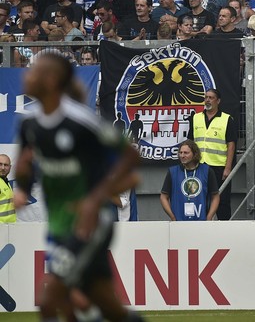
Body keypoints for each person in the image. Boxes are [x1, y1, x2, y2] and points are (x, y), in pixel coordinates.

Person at [12, 53, 142, 321]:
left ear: (50, 80)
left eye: (33, 71)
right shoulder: (29, 124)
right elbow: (26, 164)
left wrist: (95, 199)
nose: (27, 75)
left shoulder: (81, 121)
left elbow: (130, 155)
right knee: (98, 304)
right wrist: (23, 189)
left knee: (49, 301)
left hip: (90, 224)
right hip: (59, 226)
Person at [188, 88, 236, 220]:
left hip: (219, 167)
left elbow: (231, 145)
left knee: (223, 201)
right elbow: (190, 143)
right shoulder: (196, 118)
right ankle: (201, 226)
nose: (207, 100)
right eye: (206, 97)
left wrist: (228, 167)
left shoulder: (226, 119)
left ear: (218, 101)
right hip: (199, 167)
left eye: (211, 97)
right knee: (199, 198)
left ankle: (224, 228)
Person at [159, 139, 219, 221]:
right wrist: (172, 217)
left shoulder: (207, 171)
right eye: (180, 152)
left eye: (186, 153)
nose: (182, 155)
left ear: (195, 154)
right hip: (179, 223)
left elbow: (215, 196)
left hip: (201, 222)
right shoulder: (172, 172)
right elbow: (163, 197)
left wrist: (209, 217)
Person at [0, 153, 14, 223]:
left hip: (8, 229)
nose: (3, 168)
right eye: (0, 164)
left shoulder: (6, 182)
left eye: (6, 165)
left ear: (10, 167)